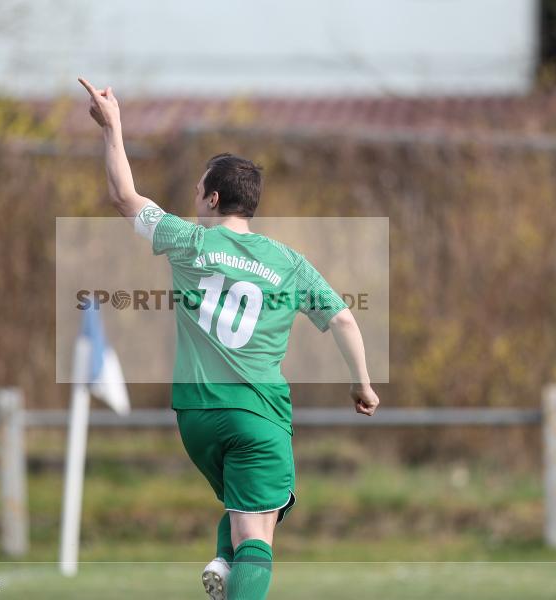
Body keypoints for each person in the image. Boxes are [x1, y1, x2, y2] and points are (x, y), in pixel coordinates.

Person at [79, 77, 380, 600]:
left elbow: (125, 196)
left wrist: (114, 127)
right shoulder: (289, 264)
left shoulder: (189, 241)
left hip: (195, 417)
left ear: (213, 198)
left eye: (197, 191)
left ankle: (223, 560)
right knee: (259, 526)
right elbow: (345, 321)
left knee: (255, 505)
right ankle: (232, 561)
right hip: (257, 413)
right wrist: (363, 385)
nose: (194, 199)